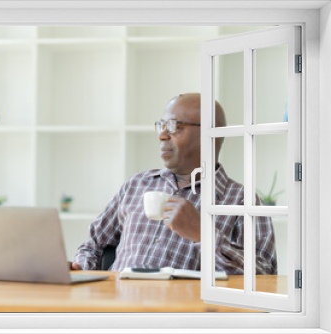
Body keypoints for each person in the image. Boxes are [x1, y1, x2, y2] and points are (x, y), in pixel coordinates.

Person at [71, 93, 277, 274]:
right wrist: (79, 268)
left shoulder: (241, 200)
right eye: (161, 126)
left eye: (173, 126)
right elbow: (93, 246)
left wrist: (202, 234)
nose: (161, 135)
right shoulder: (135, 185)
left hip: (185, 314)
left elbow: (264, 275)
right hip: (119, 308)